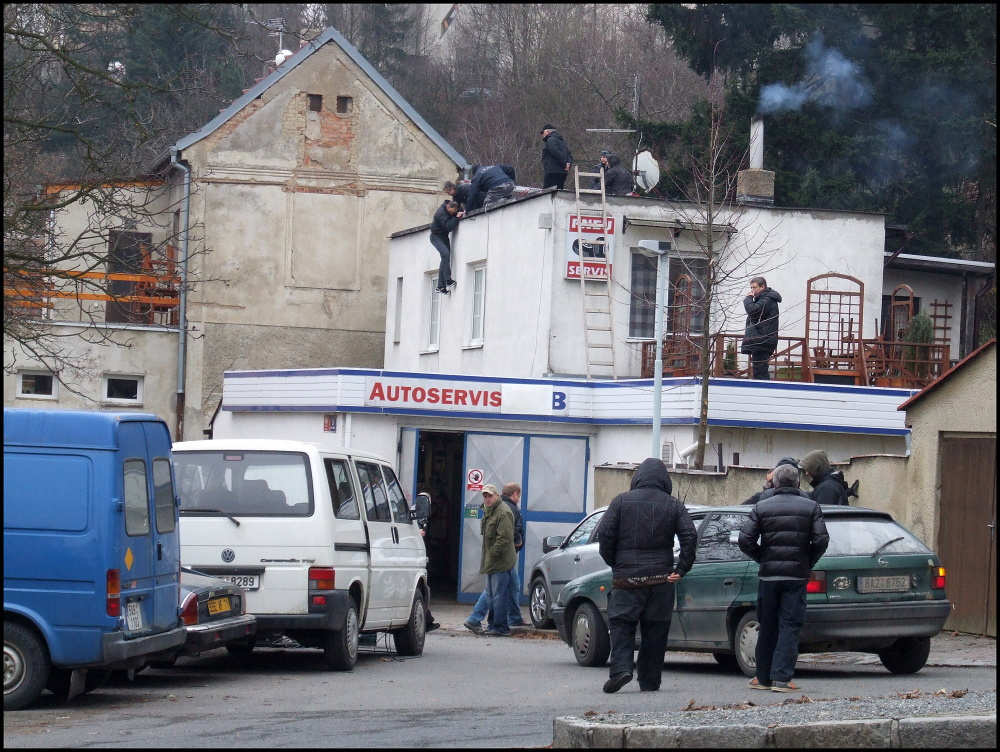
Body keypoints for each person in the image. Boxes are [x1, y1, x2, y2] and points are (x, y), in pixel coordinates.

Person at [595, 457, 697, 693]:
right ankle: (650, 680)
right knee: (656, 630)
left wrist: (616, 563)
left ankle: (621, 669)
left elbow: (605, 537)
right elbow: (690, 537)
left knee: (621, 625)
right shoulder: (673, 505)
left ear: (637, 478)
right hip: (661, 579)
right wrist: (681, 569)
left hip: (626, 578)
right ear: (665, 480)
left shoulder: (620, 502)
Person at [738, 463, 829, 693]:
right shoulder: (811, 507)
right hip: (796, 576)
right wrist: (807, 561)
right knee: (790, 625)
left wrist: (763, 558)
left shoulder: (761, 506)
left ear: (775, 483)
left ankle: (762, 677)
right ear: (797, 483)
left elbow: (744, 540)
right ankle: (782, 678)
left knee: (767, 625)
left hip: (768, 576)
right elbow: (821, 540)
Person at [463, 484, 516, 636]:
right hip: (491, 560)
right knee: (492, 595)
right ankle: (494, 625)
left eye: (489, 495)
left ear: (497, 495)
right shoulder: (488, 511)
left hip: (501, 560)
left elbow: (504, 539)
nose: (487, 499)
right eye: (485, 496)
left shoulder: (503, 512)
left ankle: (500, 627)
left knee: (498, 596)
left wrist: (492, 554)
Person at [741, 277, 782, 380]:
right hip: (761, 339)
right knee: (759, 370)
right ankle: (761, 391)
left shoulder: (767, 299)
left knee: (760, 372)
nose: (752, 290)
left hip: (763, 340)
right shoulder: (764, 299)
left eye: (754, 287)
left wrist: (748, 299)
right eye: (751, 288)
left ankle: (763, 392)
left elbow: (753, 310)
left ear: (762, 286)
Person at [412, 492, 440, 632]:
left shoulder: (422, 516)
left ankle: (427, 621)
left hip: (420, 557)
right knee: (421, 589)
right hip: (413, 559)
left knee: (423, 589)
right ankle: (427, 621)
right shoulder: (414, 515)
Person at [501, 482, 526, 627]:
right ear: (514, 494)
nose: (519, 498)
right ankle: (475, 617)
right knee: (504, 587)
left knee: (511, 586)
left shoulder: (504, 506)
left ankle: (514, 617)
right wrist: (517, 542)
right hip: (508, 554)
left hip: (507, 553)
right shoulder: (511, 508)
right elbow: (513, 529)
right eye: (518, 495)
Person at [429, 200, 462, 294]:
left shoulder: (452, 207)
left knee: (444, 259)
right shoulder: (440, 213)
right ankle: (448, 281)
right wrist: (456, 217)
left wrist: (461, 212)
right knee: (445, 254)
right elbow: (449, 227)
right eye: (452, 211)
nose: (453, 213)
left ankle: (440, 286)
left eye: (454, 211)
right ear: (448, 207)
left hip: (444, 237)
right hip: (436, 237)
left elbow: (459, 209)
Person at [540, 124, 573, 189]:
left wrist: (564, 163)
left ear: (547, 132)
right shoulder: (562, 142)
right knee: (559, 192)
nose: (542, 135)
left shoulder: (550, 140)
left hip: (553, 171)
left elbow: (555, 152)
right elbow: (569, 155)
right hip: (563, 172)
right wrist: (568, 165)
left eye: (542, 132)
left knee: (547, 193)